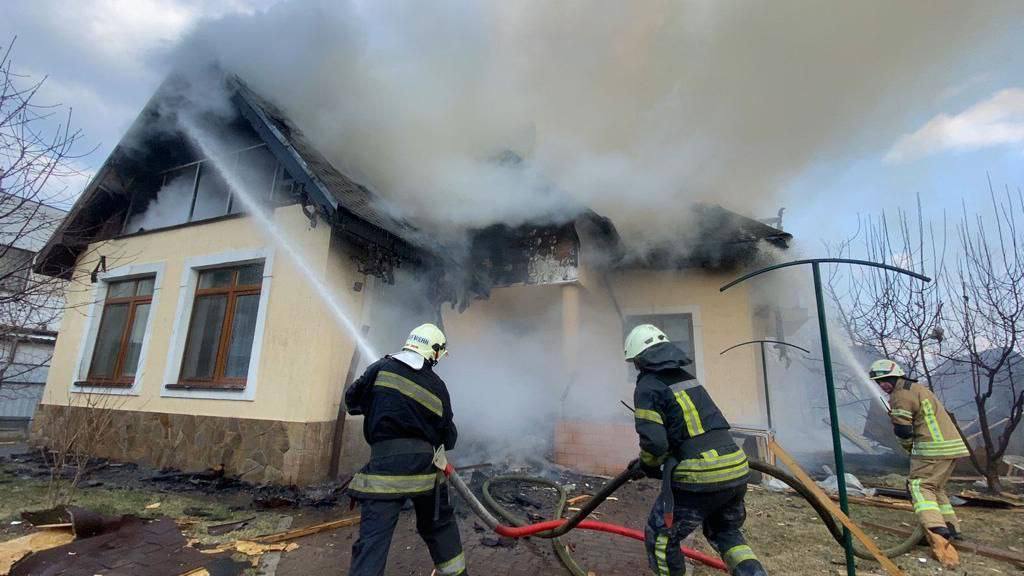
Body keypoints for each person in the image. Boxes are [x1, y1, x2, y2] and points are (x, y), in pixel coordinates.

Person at [626, 324, 767, 576]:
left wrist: (647, 465)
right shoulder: (687, 378)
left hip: (701, 474)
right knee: (725, 532)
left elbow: (655, 444)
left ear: (639, 359)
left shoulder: (647, 386)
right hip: (735, 466)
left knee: (660, 538)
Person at [344, 323, 466, 576]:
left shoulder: (379, 368)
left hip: (384, 473)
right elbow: (449, 436)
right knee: (440, 526)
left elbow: (352, 401)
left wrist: (381, 407)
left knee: (373, 542)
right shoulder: (437, 385)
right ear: (434, 352)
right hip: (424, 471)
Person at [869, 359, 968, 560]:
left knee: (919, 486)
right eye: (879, 382)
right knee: (935, 488)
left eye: (886, 380)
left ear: (897, 376)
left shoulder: (901, 395)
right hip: (951, 447)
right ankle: (950, 528)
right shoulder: (916, 388)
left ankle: (936, 532)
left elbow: (904, 430)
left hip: (932, 448)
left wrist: (907, 448)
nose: (883, 385)